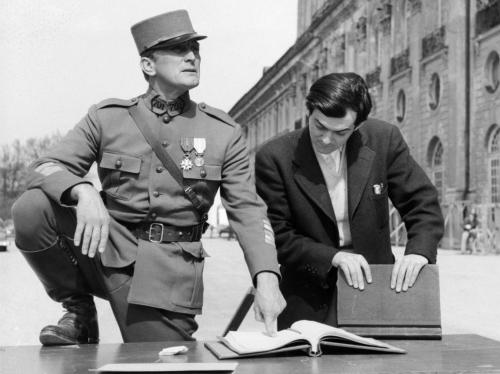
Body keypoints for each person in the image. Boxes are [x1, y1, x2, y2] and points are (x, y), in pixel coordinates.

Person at [11, 9, 285, 345]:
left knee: (163, 363)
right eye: (178, 49)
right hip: (105, 251)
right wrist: (83, 190)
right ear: (148, 66)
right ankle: (79, 311)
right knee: (32, 208)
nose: (192, 57)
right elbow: (43, 168)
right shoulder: (107, 118)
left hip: (167, 274)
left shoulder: (222, 132)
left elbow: (248, 211)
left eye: (195, 50)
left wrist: (267, 278)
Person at [255, 73, 444, 329]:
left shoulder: (384, 139)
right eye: (318, 126)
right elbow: (279, 234)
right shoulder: (274, 157)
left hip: (375, 289)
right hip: (306, 295)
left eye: (340, 133)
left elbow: (421, 201)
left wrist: (419, 252)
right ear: (309, 112)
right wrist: (334, 257)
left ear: (357, 126)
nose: (325, 139)